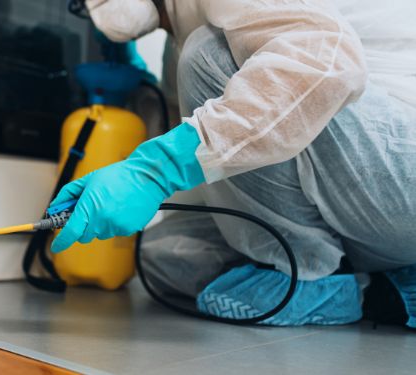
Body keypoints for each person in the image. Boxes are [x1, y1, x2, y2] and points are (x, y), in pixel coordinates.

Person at [51, 0, 416, 326]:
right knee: (161, 256)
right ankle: (376, 287)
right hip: (364, 208)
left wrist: (156, 169)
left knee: (211, 53)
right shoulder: (182, 27)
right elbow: (219, 154)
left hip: (398, 175)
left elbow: (324, 63)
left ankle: (315, 282)